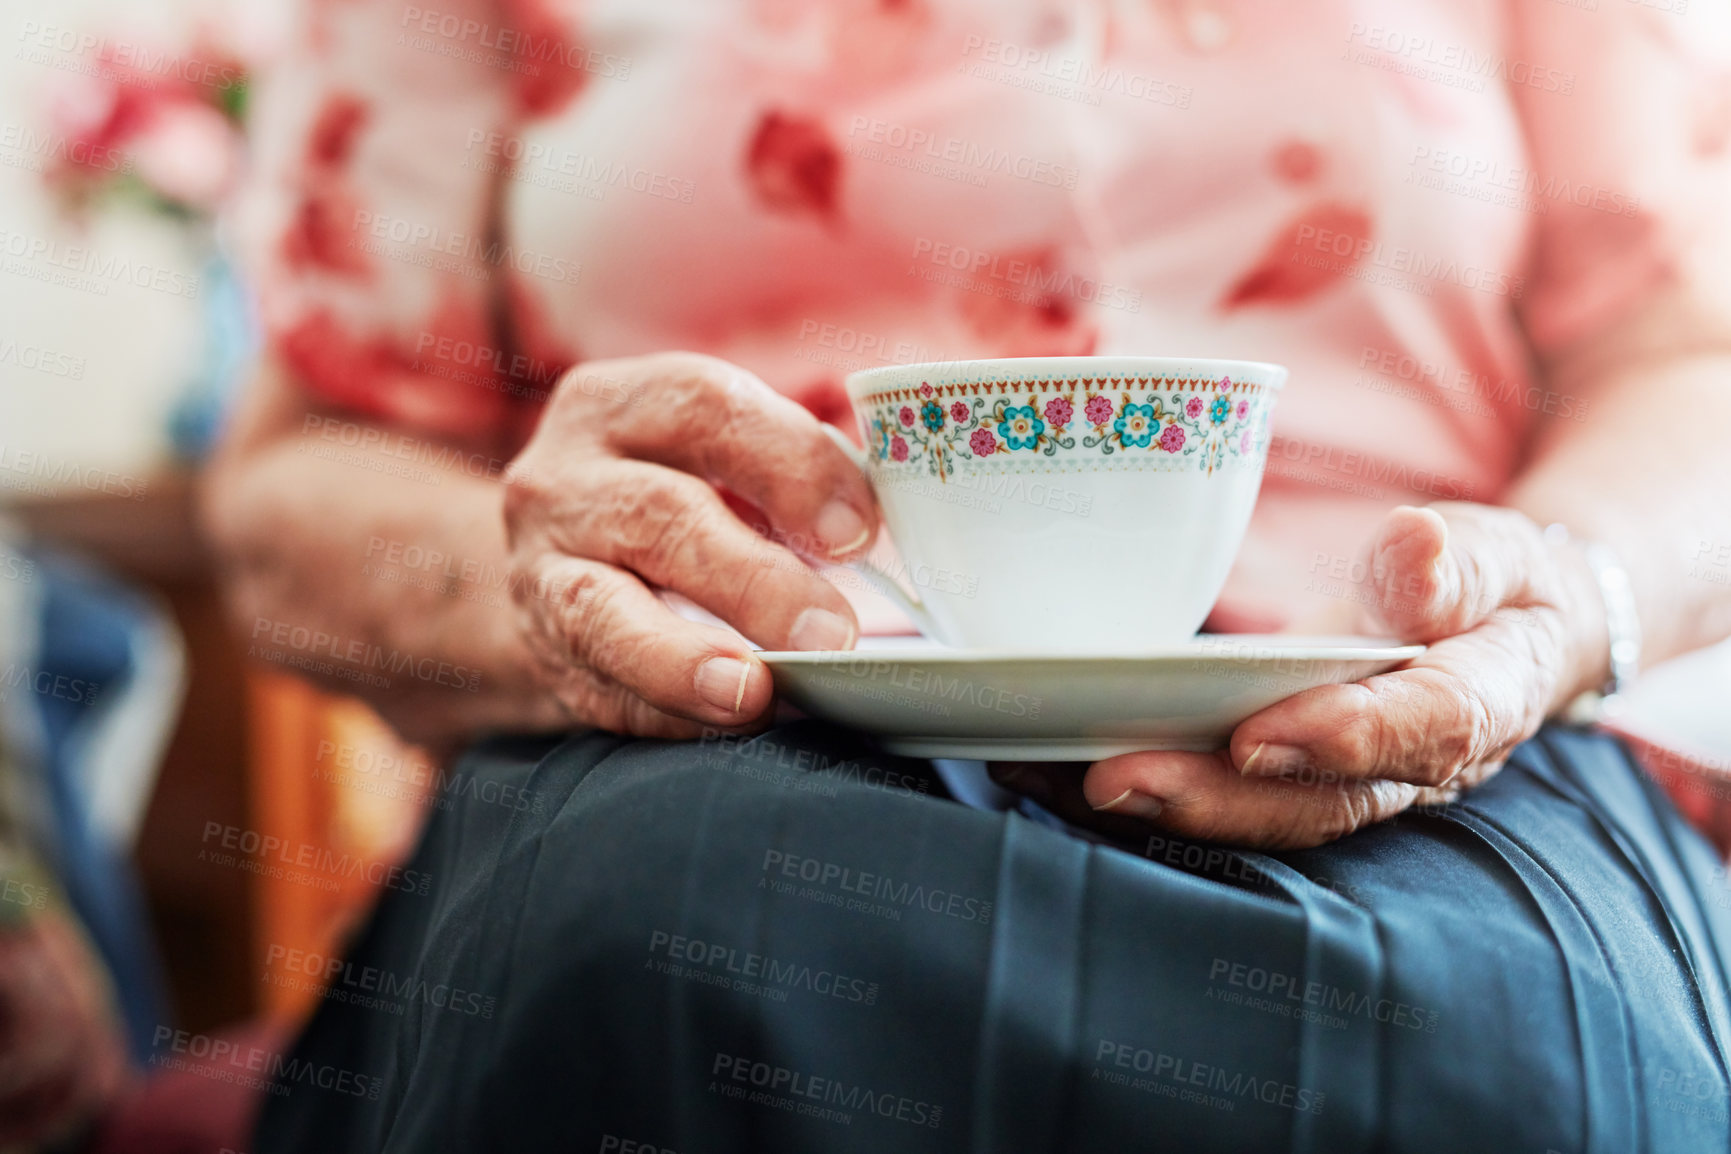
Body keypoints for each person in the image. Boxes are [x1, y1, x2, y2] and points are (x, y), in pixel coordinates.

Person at [202, 0, 1731, 1149]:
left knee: (1532, 1059)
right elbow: (298, 470)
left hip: (1425, 728)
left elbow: (1684, 358)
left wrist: (1563, 600)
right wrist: (563, 588)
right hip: (712, 722)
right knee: (666, 950)